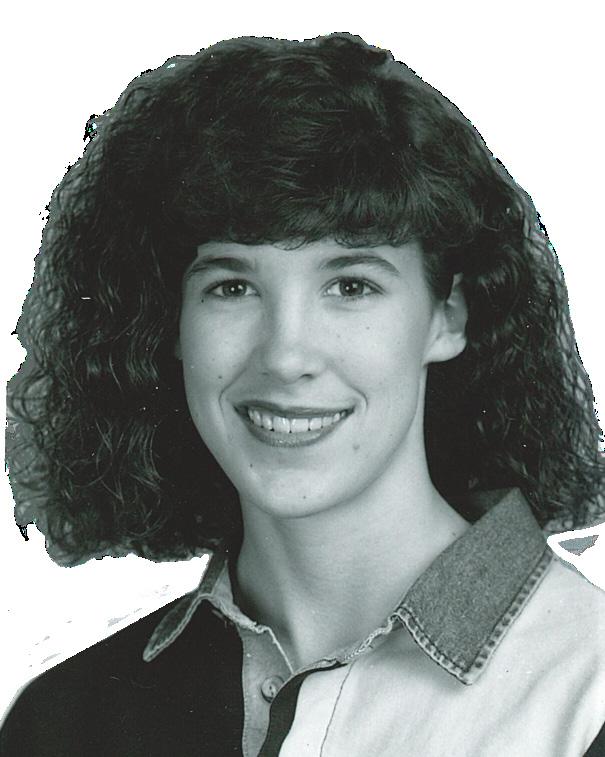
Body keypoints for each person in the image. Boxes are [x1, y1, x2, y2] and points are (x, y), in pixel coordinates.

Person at [1, 33, 604, 756]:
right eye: (232, 286)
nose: (285, 356)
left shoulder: (586, 698)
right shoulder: (63, 724)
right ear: (171, 322)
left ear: (448, 315)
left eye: (350, 285)